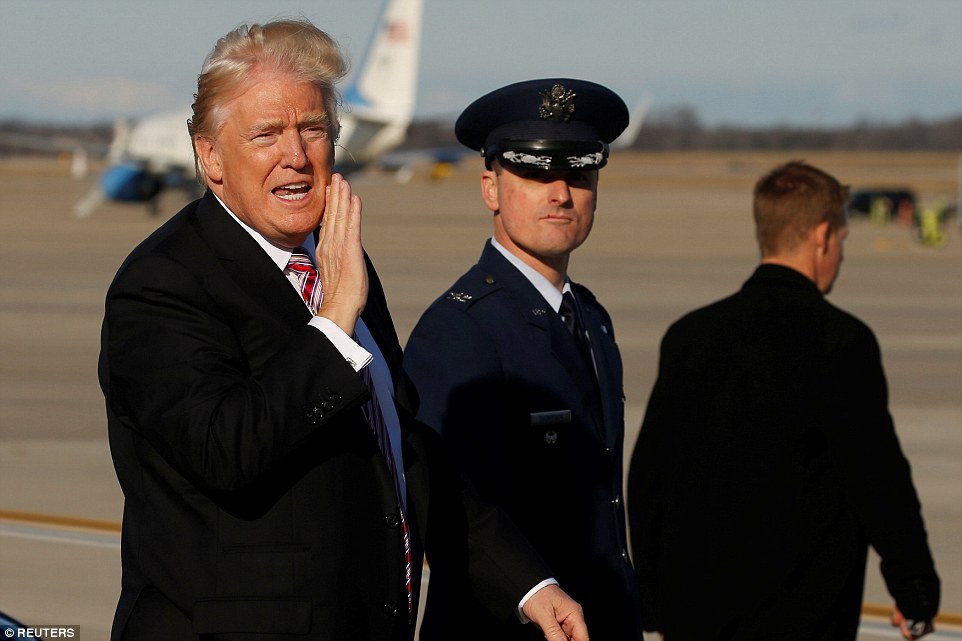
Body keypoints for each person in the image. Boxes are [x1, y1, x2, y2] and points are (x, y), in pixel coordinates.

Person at [99, 20, 589, 641]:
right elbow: (226, 450)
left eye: (314, 129)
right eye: (267, 134)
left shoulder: (335, 260)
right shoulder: (163, 285)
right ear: (210, 156)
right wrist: (334, 321)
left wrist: (526, 584)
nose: (297, 156)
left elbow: (401, 442)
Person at [626, 161, 940, 641]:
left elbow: (649, 479)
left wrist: (653, 602)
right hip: (801, 619)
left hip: (697, 618)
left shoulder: (689, 337)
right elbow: (878, 479)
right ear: (822, 237)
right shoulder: (841, 341)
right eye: (842, 239)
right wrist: (914, 586)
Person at [402, 78, 644, 640]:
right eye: (537, 174)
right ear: (490, 188)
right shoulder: (459, 329)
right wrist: (531, 590)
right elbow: (441, 499)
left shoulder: (591, 318)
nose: (562, 193)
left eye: (579, 174)